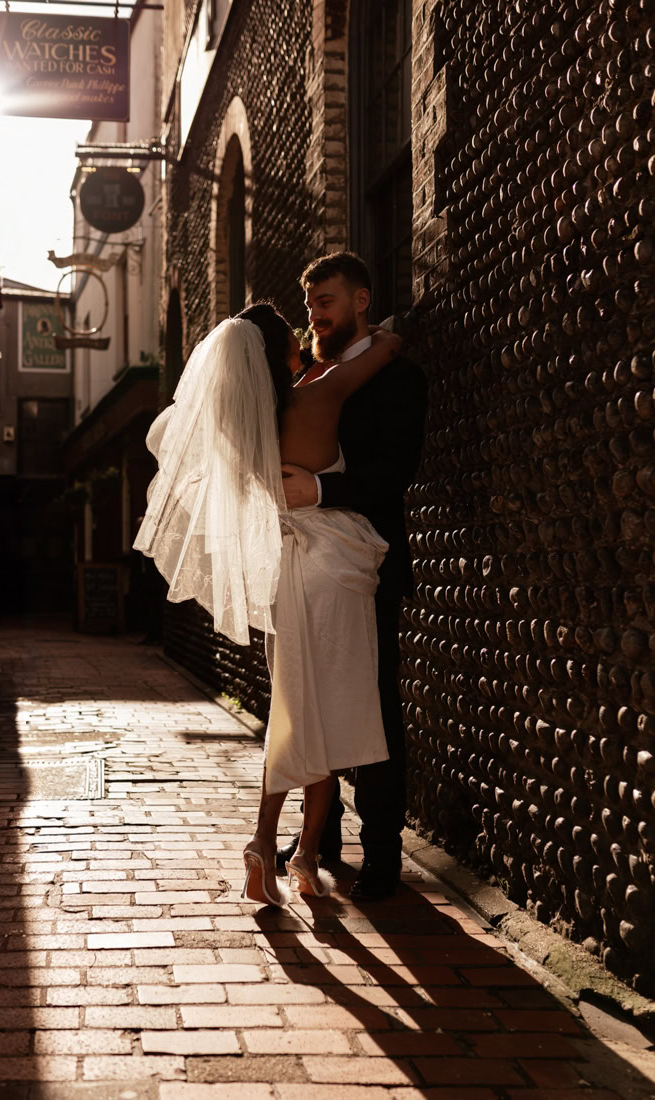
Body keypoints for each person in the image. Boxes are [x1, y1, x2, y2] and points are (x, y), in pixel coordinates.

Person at [133, 303, 403, 906]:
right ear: (282, 353)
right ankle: (301, 851)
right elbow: (387, 347)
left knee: (293, 704)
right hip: (331, 567)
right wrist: (372, 328)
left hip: (282, 570)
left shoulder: (235, 427)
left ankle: (269, 843)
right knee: (327, 711)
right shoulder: (318, 397)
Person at [280, 252, 428, 901]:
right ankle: (322, 834)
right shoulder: (305, 374)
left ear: (362, 299)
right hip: (300, 565)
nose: (316, 312)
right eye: (310, 303)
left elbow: (393, 474)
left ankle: (382, 853)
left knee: (372, 707)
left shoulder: (398, 378)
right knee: (307, 703)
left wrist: (316, 489)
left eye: (327, 300)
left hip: (366, 566)